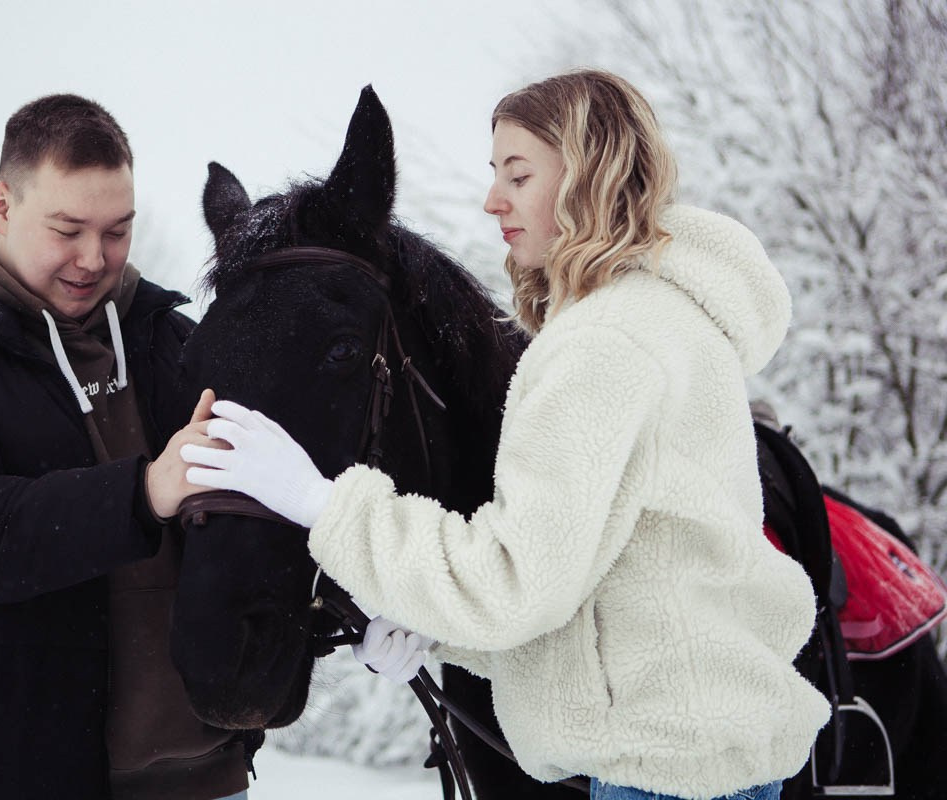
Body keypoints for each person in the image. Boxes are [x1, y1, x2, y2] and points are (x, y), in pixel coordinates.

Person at [173, 70, 830, 800]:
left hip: (656, 780)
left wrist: (324, 506)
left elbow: (518, 583)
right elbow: (610, 598)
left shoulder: (602, 344)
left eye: (519, 176)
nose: (493, 202)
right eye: (494, 175)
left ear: (591, 176)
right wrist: (436, 633)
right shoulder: (661, 320)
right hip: (691, 759)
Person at [0, 94, 248, 800]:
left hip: (207, 780)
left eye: (118, 232)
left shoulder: (177, 347)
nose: (94, 259)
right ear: (1, 204)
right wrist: (143, 492)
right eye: (68, 229)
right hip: (5, 779)